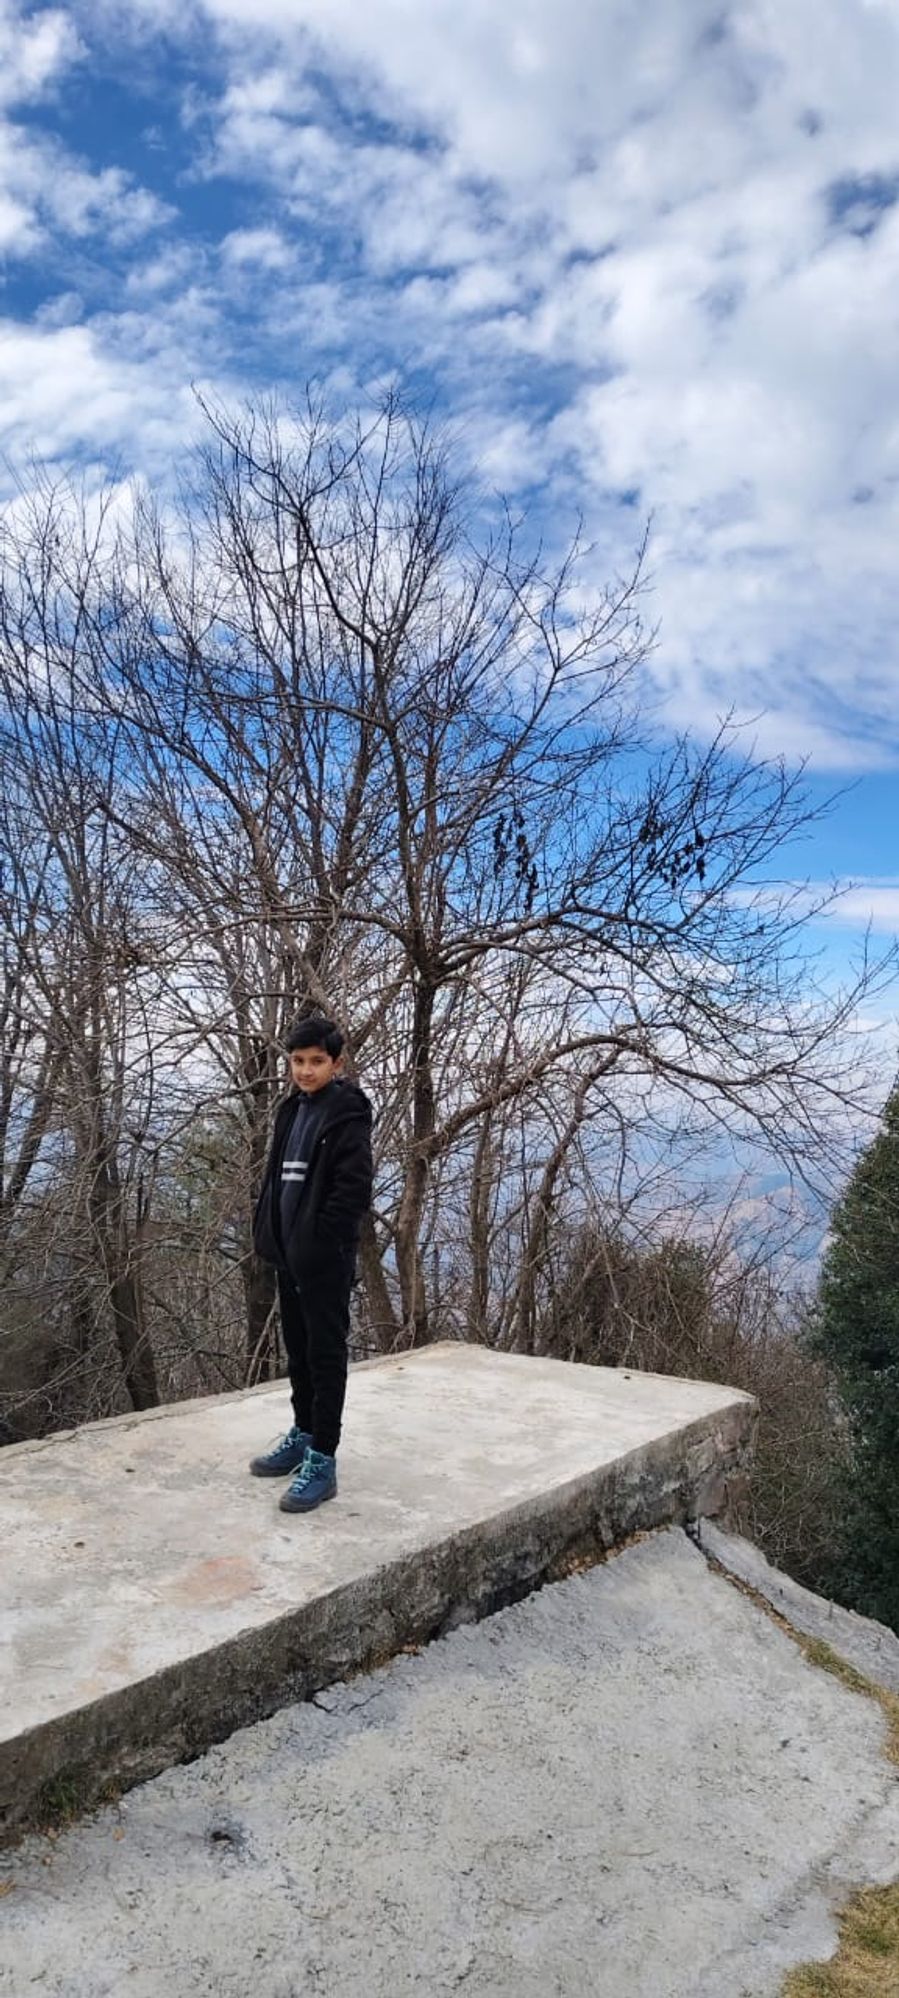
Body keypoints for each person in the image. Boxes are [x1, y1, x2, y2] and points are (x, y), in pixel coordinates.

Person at [250, 1015, 373, 1513]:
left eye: (317, 1061)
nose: (305, 1070)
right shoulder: (291, 1110)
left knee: (324, 1356)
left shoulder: (347, 1113)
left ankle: (323, 1458)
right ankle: (303, 1433)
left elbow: (352, 1190)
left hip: (323, 1259)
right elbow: (276, 1179)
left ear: (336, 1064)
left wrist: (320, 1244)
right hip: (288, 1254)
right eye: (298, 1061)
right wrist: (272, 1235)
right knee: (298, 1353)